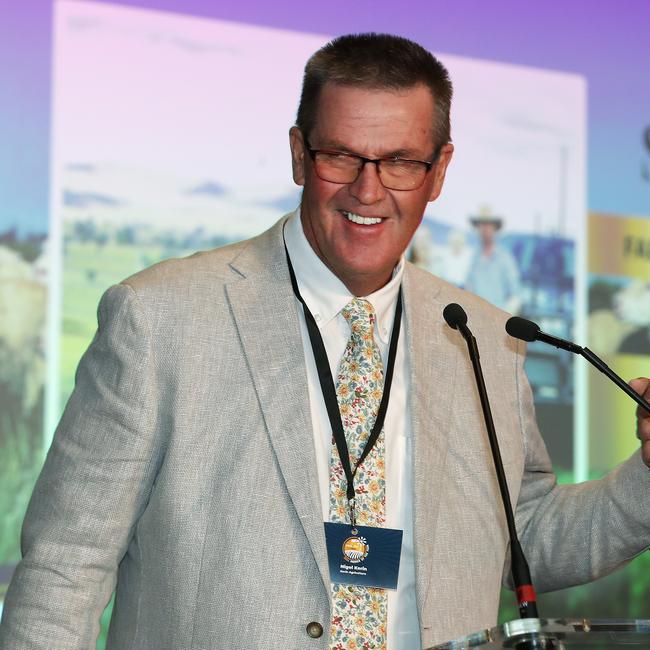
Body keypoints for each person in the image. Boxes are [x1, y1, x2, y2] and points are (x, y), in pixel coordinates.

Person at [1, 33, 650, 650]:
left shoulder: (484, 336)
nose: (368, 191)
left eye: (399, 161)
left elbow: (526, 536)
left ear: (439, 170)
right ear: (297, 153)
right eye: (341, 156)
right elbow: (65, 569)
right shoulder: (159, 320)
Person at [465, 206, 522, 314]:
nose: (484, 229)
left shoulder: (505, 258)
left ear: (494, 228)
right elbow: (469, 288)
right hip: (474, 317)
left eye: (487, 225)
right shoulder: (474, 257)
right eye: (480, 225)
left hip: (497, 319)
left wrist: (502, 318)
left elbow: (516, 296)